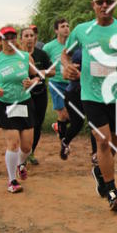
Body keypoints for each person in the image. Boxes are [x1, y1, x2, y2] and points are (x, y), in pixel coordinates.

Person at [61, 0, 117, 211]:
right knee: (103, 141)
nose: (104, 5)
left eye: (109, 2)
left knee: (113, 145)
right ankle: (111, 190)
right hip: (91, 94)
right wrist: (66, 66)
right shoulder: (82, 30)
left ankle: (99, 170)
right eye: (100, 2)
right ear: (93, 5)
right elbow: (65, 53)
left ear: (114, 5)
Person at [0, 26, 41, 194]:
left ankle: (20, 163)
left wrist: (32, 82)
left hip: (24, 103)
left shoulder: (25, 57)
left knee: (27, 146)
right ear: (1, 40)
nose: (10, 41)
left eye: (13, 37)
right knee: (13, 143)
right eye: (6, 38)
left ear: (16, 39)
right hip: (5, 104)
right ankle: (12, 180)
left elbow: (37, 76)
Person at [58, 47, 98, 163]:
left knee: (94, 123)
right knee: (77, 124)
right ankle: (65, 142)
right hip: (74, 94)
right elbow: (68, 74)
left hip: (92, 94)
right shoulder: (78, 50)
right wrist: (67, 66)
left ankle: (96, 153)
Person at [20, 26, 51, 165]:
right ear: (21, 39)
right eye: (26, 36)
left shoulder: (42, 54)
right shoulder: (17, 56)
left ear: (35, 38)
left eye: (31, 35)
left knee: (37, 124)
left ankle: (31, 151)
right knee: (24, 124)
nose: (29, 38)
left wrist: (39, 73)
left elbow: (53, 71)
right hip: (22, 95)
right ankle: (23, 153)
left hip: (40, 94)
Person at [42, 18, 71, 149]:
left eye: (67, 26)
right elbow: (43, 64)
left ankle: (57, 126)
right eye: (62, 26)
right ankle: (64, 143)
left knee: (73, 115)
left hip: (71, 83)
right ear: (56, 30)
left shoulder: (74, 44)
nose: (66, 28)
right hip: (56, 83)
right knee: (63, 114)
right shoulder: (48, 47)